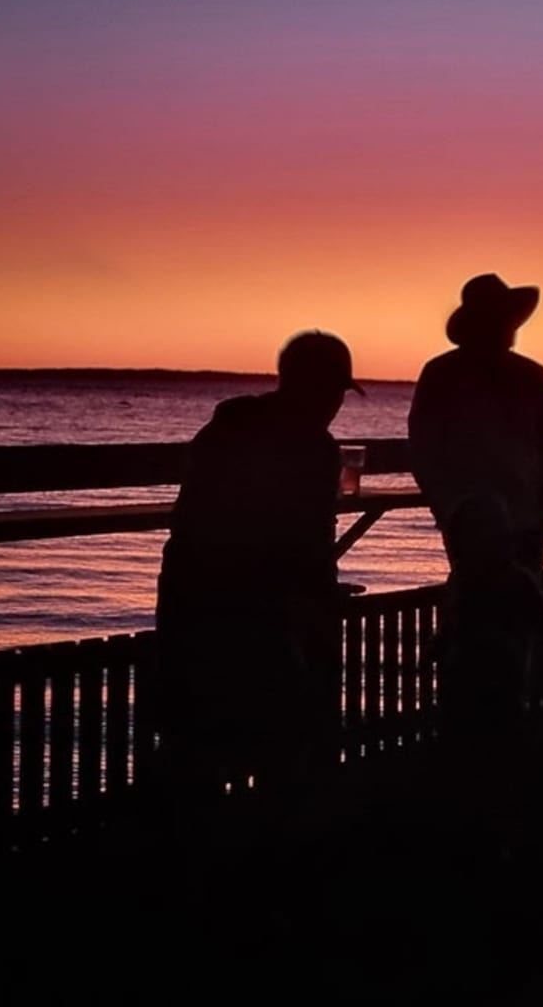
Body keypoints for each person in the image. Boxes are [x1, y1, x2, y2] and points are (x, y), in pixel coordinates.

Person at [156, 330, 362, 804]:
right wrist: (316, 598)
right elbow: (303, 540)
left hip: (191, 603)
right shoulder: (313, 447)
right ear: (317, 388)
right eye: (336, 392)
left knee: (195, 742)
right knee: (280, 741)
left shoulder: (224, 430)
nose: (337, 405)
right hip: (258, 614)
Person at [409, 272, 543, 735]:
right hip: (475, 522)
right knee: (481, 618)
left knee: (503, 616)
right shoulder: (444, 373)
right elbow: (423, 447)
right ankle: (481, 719)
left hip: (517, 519)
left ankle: (500, 717)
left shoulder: (526, 375)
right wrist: (448, 509)